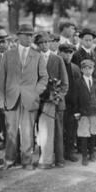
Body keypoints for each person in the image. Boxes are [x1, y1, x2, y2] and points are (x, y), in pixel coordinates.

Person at [0, 24, 48, 171]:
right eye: (26, 35)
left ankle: (27, 161)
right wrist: (0, 99)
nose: (30, 38)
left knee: (27, 132)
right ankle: (9, 160)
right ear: (19, 36)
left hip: (29, 99)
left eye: (31, 35)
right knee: (11, 131)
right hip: (11, 99)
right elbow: (0, 79)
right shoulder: (8, 55)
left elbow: (44, 78)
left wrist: (35, 92)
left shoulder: (37, 56)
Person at [35, 32, 69, 169]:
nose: (44, 45)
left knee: (58, 130)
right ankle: (43, 158)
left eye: (46, 42)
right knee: (42, 130)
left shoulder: (57, 59)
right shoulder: (35, 59)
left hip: (56, 101)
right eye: (40, 43)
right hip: (40, 101)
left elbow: (65, 83)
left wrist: (57, 97)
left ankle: (60, 159)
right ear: (37, 45)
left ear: (50, 43)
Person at [74, 59, 96, 166]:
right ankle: (84, 156)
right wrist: (76, 111)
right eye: (85, 68)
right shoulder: (78, 82)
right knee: (84, 134)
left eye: (90, 68)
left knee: (94, 132)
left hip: (94, 111)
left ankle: (92, 153)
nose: (88, 70)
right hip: (83, 112)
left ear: (93, 69)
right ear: (81, 70)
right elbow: (75, 98)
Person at [60, 43, 81, 163]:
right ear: (60, 53)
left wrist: (78, 103)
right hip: (61, 101)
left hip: (73, 103)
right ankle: (60, 152)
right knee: (61, 129)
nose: (68, 55)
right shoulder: (58, 65)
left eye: (70, 52)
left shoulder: (75, 68)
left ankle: (70, 152)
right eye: (66, 52)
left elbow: (78, 87)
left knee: (72, 129)